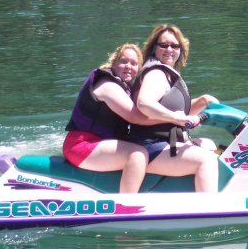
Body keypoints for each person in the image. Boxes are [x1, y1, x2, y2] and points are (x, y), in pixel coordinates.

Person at [128, 24, 220, 192]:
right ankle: (208, 210)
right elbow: (144, 103)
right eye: (163, 45)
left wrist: (202, 101)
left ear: (181, 49)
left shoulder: (167, 74)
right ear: (154, 48)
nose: (169, 49)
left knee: (208, 144)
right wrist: (177, 118)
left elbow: (171, 109)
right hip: (149, 147)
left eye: (174, 45)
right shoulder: (156, 74)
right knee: (206, 159)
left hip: (163, 143)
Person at [63, 43, 157, 193]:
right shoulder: (107, 85)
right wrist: (175, 119)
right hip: (81, 145)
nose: (128, 66)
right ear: (114, 63)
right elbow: (135, 117)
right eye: (124, 61)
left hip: (100, 144)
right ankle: (127, 207)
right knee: (137, 155)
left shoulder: (126, 89)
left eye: (133, 63)